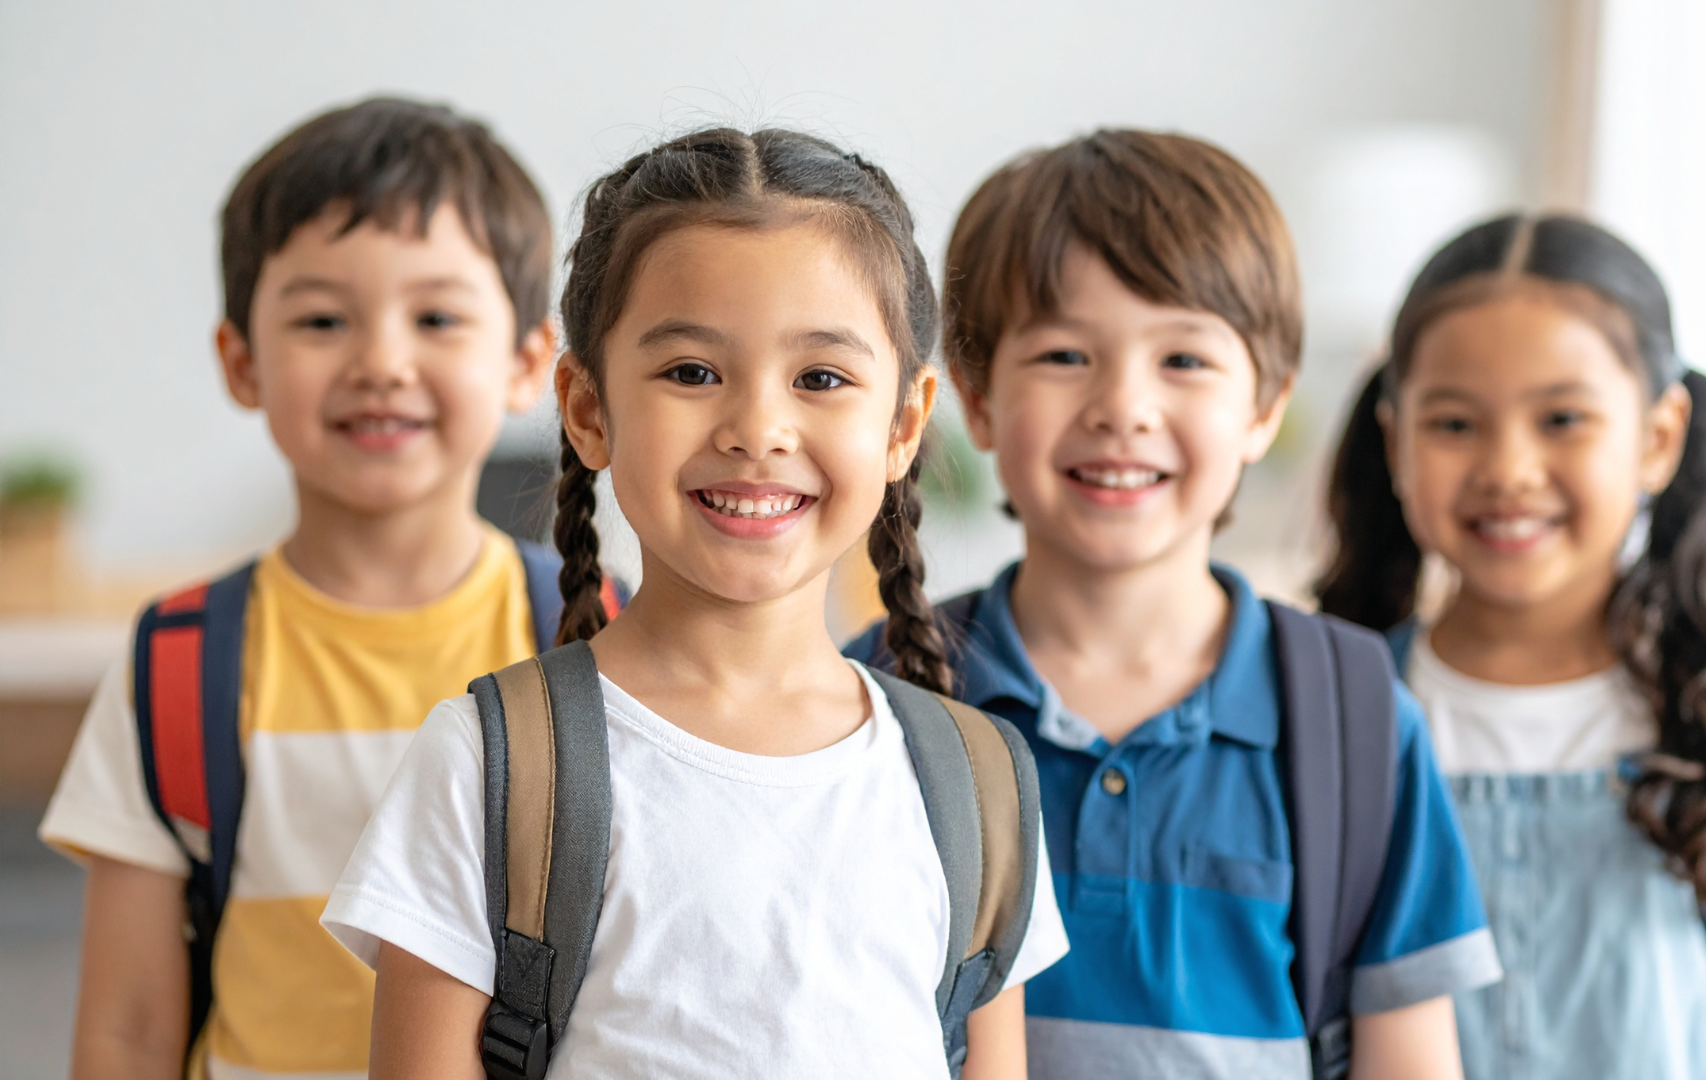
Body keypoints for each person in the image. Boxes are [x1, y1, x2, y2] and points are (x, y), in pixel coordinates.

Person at [320, 127, 1069, 1080]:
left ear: (904, 424)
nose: (758, 427)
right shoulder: (487, 761)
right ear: (588, 410)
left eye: (822, 379)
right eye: (691, 373)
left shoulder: (981, 786)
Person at [850, 129, 1499, 1080]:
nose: (1123, 406)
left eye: (1184, 361)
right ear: (979, 400)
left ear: (1266, 405)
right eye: (1066, 354)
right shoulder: (878, 696)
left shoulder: (1351, 716)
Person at [38, 98, 561, 1079]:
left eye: (437, 317)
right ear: (242, 361)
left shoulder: (597, 634)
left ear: (527, 361)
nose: (381, 362)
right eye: (323, 319)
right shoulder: (177, 663)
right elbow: (128, 1028)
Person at [1317, 213, 1706, 1080]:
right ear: (1395, 439)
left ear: (1658, 438)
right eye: (1456, 424)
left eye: (1563, 419)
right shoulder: (1332, 718)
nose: (1508, 468)